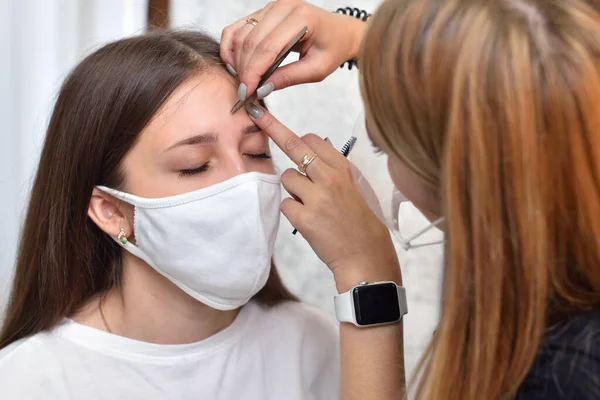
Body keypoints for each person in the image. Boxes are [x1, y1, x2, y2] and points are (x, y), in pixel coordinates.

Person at [221, 0, 600, 399]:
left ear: (459, 175)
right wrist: (374, 42)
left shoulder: (560, 376)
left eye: (382, 145)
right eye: (194, 165)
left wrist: (366, 273)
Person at [0, 30, 339, 399]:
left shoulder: (315, 347)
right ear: (111, 210)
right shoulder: (28, 380)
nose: (244, 185)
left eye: (256, 152)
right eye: (194, 166)